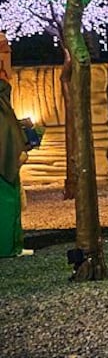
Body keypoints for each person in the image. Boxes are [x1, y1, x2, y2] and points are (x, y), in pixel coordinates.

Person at [0, 78, 33, 257]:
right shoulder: (4, 113)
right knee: (9, 206)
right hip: (5, 171)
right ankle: (10, 247)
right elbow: (10, 139)